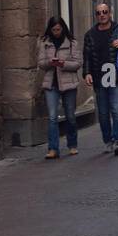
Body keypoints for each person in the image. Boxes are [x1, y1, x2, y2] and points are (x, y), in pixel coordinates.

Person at [83, 2, 118, 156]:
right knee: (102, 112)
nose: (102, 15)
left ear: (110, 13)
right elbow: (86, 56)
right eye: (99, 13)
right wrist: (87, 73)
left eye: (105, 12)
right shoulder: (90, 35)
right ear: (96, 16)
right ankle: (108, 140)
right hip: (99, 77)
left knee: (116, 108)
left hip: (116, 76)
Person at [37, 15, 81, 159]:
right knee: (52, 117)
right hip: (51, 84)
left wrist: (63, 64)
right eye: (54, 29)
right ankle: (53, 148)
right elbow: (41, 63)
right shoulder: (45, 43)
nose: (56, 32)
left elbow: (77, 63)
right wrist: (51, 62)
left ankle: (72, 145)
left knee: (70, 116)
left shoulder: (72, 43)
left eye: (58, 29)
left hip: (68, 83)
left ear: (63, 28)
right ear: (50, 29)